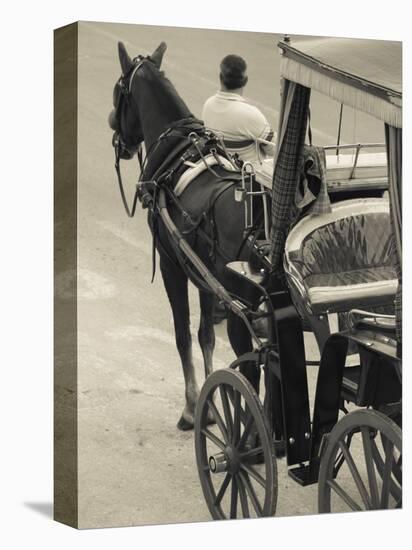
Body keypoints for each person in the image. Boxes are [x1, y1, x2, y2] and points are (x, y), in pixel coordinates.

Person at [202, 54, 275, 167]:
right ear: (245, 81)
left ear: (220, 77)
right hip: (248, 178)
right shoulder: (250, 114)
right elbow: (275, 150)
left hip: (220, 172)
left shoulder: (208, 105)